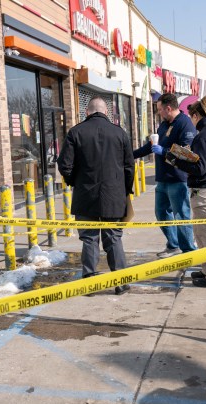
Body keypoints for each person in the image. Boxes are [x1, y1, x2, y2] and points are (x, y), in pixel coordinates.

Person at [57, 96, 135, 295]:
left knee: (89, 239)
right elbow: (129, 167)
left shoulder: (75, 132)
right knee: (114, 238)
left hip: (86, 195)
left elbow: (64, 165)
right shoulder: (120, 133)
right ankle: (121, 281)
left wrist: (76, 182)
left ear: (87, 112)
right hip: (114, 195)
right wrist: (125, 190)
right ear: (106, 112)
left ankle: (90, 283)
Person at [166, 96, 206, 288]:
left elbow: (200, 168)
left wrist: (176, 160)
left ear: (196, 115)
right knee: (201, 233)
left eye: (191, 117)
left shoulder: (204, 135)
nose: (191, 122)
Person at [133, 93, 197, 258]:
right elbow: (151, 145)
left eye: (160, 109)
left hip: (177, 178)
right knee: (161, 213)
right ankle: (173, 244)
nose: (159, 112)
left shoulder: (185, 124)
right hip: (162, 178)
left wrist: (164, 151)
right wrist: (132, 154)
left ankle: (189, 250)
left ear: (169, 108)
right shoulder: (164, 125)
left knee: (181, 216)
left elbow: (186, 152)